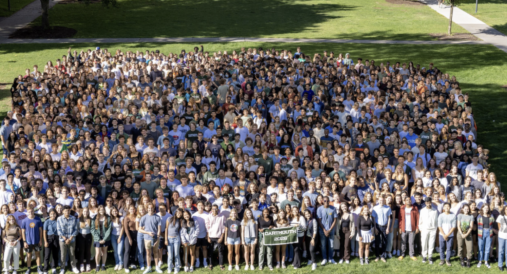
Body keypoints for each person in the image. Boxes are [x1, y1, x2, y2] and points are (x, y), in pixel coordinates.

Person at [139, 203, 163, 274]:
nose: (150, 209)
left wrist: (158, 238)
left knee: (155, 252)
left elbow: (159, 230)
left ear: (153, 208)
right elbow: (140, 229)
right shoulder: (143, 217)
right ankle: (148, 267)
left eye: (151, 208)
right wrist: (148, 233)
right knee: (148, 253)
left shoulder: (157, 217)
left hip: (155, 238)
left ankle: (157, 267)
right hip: (147, 238)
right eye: (149, 208)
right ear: (147, 209)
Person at [56, 206, 80, 274]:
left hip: (71, 240)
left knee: (72, 254)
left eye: (68, 210)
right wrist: (65, 238)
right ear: (63, 211)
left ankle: (74, 267)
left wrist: (70, 238)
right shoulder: (59, 219)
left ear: (70, 211)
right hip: (62, 240)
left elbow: (76, 229)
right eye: (65, 211)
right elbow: (59, 230)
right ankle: (62, 268)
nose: (67, 212)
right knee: (63, 255)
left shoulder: (73, 218)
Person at [21, 206, 43, 274]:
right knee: (28, 255)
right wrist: (24, 241)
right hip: (28, 241)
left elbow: (40, 231)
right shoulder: (24, 220)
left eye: (32, 211)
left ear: (34, 211)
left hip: (37, 240)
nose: (30, 212)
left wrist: (40, 240)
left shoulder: (38, 219)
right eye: (29, 211)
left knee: (38, 254)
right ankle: (28, 269)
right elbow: (23, 232)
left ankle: (39, 268)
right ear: (27, 212)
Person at [316, 197, 337, 265]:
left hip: (331, 230)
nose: (326, 202)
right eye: (325, 201)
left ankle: (331, 258)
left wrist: (330, 229)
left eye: (328, 201)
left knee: (331, 245)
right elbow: (319, 220)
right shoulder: (319, 209)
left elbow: (335, 220)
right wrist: (324, 230)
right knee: (323, 245)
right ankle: (324, 258)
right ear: (322, 201)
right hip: (322, 230)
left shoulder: (333, 208)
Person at [398, 196, 419, 261]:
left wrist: (417, 227)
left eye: (409, 200)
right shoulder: (402, 208)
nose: (408, 201)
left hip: (412, 229)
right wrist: (400, 227)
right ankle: (402, 254)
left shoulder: (415, 208)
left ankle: (412, 254)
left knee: (411, 242)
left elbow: (417, 218)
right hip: (404, 228)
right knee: (403, 242)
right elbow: (400, 219)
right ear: (405, 201)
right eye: (407, 200)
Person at [205, 204, 226, 270]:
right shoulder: (208, 216)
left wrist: (221, 237)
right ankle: (211, 264)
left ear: (218, 209)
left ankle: (221, 265)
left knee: (220, 251)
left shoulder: (222, 216)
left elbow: (224, 228)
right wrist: (208, 237)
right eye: (213, 209)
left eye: (216, 209)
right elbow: (207, 227)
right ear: (211, 210)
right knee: (210, 251)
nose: (215, 210)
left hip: (219, 236)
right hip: (211, 236)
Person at [371, 195, 392, 262]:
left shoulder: (388, 208)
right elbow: (373, 218)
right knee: (377, 242)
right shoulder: (375, 208)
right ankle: (377, 256)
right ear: (378, 200)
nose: (381, 201)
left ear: (384, 200)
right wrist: (374, 228)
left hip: (385, 227)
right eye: (380, 200)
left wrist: (388, 228)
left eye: (382, 200)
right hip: (377, 226)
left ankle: (382, 256)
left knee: (384, 241)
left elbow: (389, 218)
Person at [91, 205, 111, 272]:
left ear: (104, 210)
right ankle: (97, 265)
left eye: (103, 209)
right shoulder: (95, 218)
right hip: (97, 238)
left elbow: (109, 229)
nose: (101, 211)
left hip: (105, 238)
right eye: (100, 210)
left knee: (104, 251)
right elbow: (92, 229)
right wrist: (99, 239)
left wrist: (104, 239)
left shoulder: (108, 217)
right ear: (98, 210)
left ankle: (103, 265)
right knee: (98, 253)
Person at [419, 197, 438, 264]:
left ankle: (430, 256)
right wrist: (421, 229)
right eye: (427, 202)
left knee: (431, 244)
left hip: (432, 230)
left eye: (429, 202)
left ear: (431, 202)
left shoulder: (435, 211)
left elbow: (436, 221)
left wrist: (435, 229)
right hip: (424, 229)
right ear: (425, 203)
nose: (428, 203)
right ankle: (424, 256)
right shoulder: (422, 210)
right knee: (424, 243)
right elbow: (420, 221)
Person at [165, 208, 182, 273]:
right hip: (169, 239)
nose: (179, 214)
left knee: (176, 254)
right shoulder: (169, 219)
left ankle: (177, 268)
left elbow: (180, 230)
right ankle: (169, 267)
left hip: (176, 239)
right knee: (170, 255)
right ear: (175, 212)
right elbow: (166, 228)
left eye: (180, 213)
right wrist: (166, 239)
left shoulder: (180, 220)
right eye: (178, 212)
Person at [477, 204, 494, 269]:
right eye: (485, 208)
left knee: (487, 248)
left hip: (489, 233)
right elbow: (478, 224)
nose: (486, 209)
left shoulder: (491, 215)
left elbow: (493, 223)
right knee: (481, 247)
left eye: (487, 208)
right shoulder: (479, 216)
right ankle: (480, 261)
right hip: (481, 232)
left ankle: (486, 261)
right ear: (482, 209)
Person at [457, 203, 474, 268]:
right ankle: (461, 259)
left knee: (469, 248)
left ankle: (468, 260)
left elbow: (471, 226)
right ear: (463, 209)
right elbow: (458, 225)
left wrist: (466, 234)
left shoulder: (471, 216)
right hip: (460, 233)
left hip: (468, 233)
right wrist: (461, 234)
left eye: (467, 209)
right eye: (465, 209)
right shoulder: (460, 215)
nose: (466, 210)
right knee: (460, 246)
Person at [43, 209, 59, 274]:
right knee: (47, 255)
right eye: (51, 214)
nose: (53, 215)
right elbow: (44, 232)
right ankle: (45, 269)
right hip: (49, 238)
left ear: (56, 214)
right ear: (49, 214)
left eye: (54, 214)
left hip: (56, 238)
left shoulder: (57, 221)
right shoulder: (47, 221)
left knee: (55, 254)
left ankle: (53, 267)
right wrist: (45, 241)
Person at [110, 206, 125, 271]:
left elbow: (123, 228)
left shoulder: (121, 218)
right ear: (111, 212)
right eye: (113, 211)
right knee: (115, 251)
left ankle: (121, 263)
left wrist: (119, 237)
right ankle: (117, 263)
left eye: (116, 211)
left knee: (119, 252)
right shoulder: (110, 219)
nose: (115, 212)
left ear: (117, 211)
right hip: (113, 236)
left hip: (120, 236)